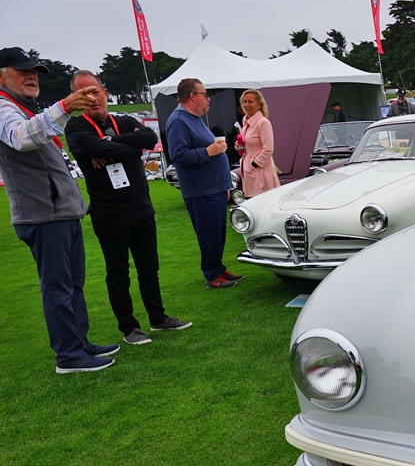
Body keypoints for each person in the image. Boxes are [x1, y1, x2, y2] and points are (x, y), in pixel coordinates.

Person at [0, 47, 119, 373]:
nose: (32, 77)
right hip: (43, 214)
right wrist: (64, 107)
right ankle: (69, 356)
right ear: (2, 77)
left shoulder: (23, 108)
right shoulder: (4, 108)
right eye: (22, 71)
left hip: (60, 212)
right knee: (58, 287)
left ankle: (79, 343)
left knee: (72, 284)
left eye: (34, 71)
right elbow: (20, 137)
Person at [65, 70, 191, 346]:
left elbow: (148, 137)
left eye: (94, 91)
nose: (91, 98)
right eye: (82, 93)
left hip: (141, 207)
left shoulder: (123, 120)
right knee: (118, 273)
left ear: (105, 93)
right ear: (74, 98)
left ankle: (158, 318)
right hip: (109, 213)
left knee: (149, 268)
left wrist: (108, 145)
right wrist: (127, 147)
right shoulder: (76, 128)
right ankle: (129, 327)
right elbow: (124, 146)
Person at [165, 78, 244, 288]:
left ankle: (218, 268)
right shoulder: (178, 121)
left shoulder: (194, 118)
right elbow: (178, 155)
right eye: (205, 95)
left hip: (214, 186)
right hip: (201, 189)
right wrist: (208, 151)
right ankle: (212, 274)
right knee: (208, 233)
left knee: (217, 233)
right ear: (192, 96)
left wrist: (224, 183)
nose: (208, 99)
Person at [239, 89, 281, 198]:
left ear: (259, 105)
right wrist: (238, 146)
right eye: (244, 101)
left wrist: (255, 163)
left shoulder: (263, 122)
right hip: (248, 171)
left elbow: (268, 148)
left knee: (263, 200)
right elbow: (247, 142)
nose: (247, 105)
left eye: (250, 102)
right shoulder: (245, 121)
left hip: (261, 171)